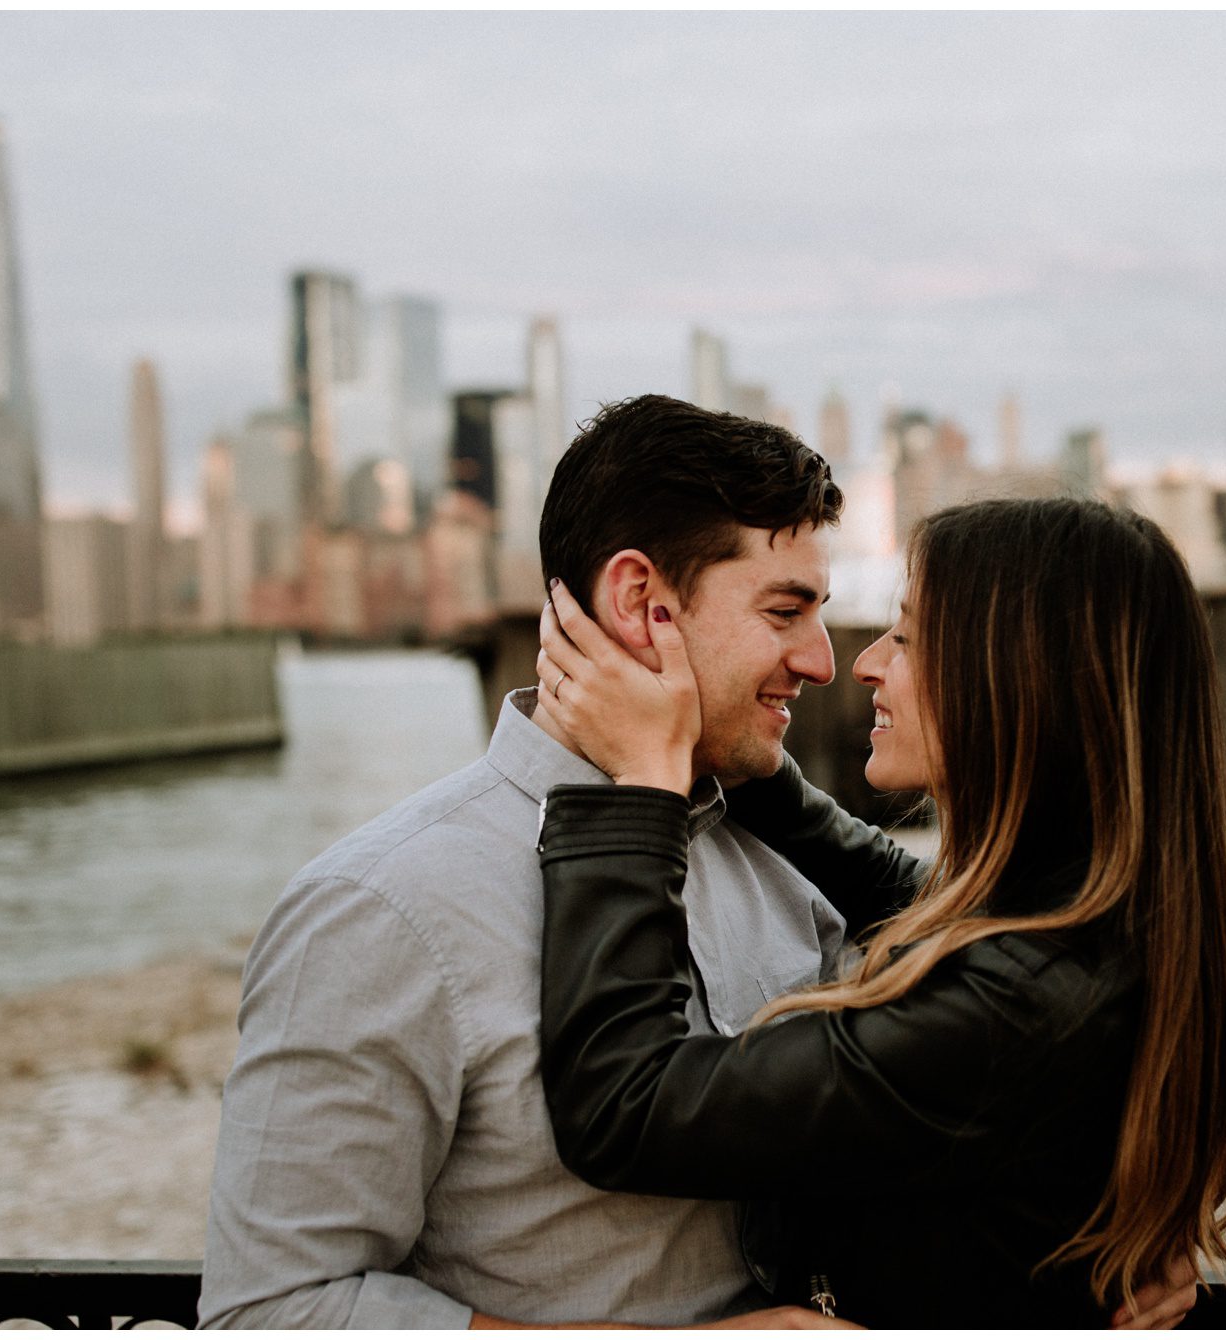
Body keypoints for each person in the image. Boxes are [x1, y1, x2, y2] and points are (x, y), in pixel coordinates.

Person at [530, 495, 1226, 1328]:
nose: (865, 664)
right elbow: (902, 897)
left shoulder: (1012, 1011)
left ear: (1019, 680)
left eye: (910, 637)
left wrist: (644, 785)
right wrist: (738, 751)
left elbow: (624, 1106)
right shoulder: (1089, 924)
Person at [198, 396, 858, 1328]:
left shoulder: (785, 870)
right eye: (786, 611)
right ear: (641, 602)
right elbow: (270, 1312)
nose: (823, 661)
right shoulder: (380, 908)